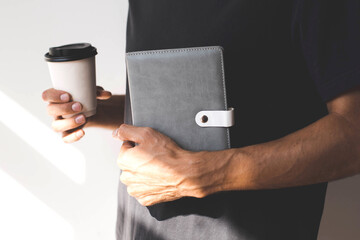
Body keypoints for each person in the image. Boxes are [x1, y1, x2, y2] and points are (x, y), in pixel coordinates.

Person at [42, 1, 360, 239]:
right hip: (139, 227)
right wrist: (99, 112)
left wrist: (203, 174)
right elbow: (193, 105)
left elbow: (353, 132)